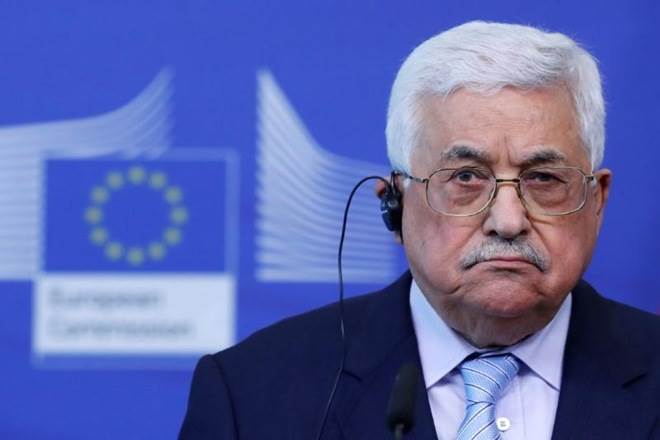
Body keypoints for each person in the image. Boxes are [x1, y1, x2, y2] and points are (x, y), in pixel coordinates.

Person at [180, 21, 660, 439]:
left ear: (597, 201)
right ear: (394, 204)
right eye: (466, 178)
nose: (509, 221)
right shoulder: (251, 394)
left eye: (543, 179)